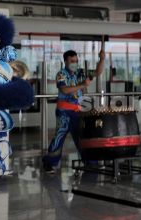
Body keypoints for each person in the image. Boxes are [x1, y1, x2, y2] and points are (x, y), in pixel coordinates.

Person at [42, 45, 106, 174]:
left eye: (76, 61)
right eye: (72, 61)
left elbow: (97, 72)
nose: (75, 63)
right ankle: (49, 162)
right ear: (65, 61)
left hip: (78, 112)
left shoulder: (80, 73)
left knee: (82, 137)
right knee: (59, 137)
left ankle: (90, 162)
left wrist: (102, 60)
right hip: (64, 112)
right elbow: (64, 89)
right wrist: (82, 85)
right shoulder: (61, 74)